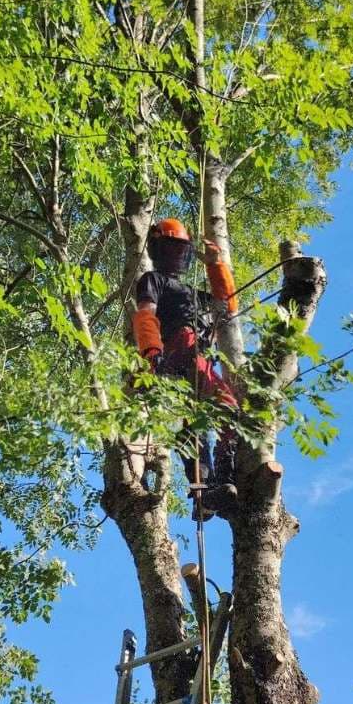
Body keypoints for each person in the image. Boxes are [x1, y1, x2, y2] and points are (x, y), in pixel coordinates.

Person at [131, 218, 240, 519]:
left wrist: (216, 265)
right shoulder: (153, 281)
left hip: (195, 353)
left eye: (180, 250)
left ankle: (205, 491)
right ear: (157, 250)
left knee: (193, 429)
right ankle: (223, 474)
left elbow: (228, 307)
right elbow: (145, 316)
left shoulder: (193, 293)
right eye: (169, 249)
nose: (175, 256)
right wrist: (152, 352)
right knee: (226, 406)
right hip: (181, 350)